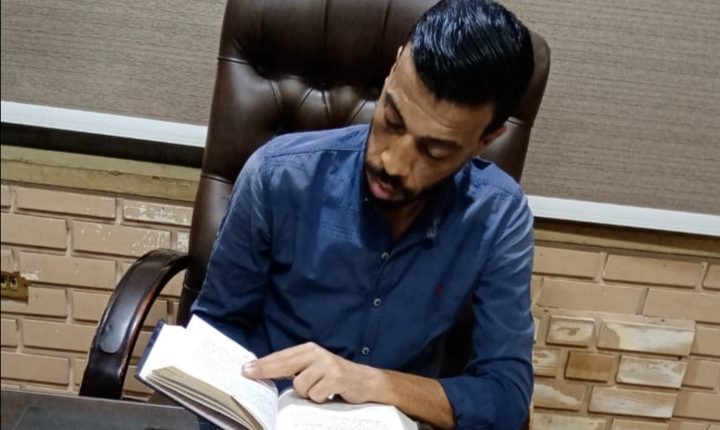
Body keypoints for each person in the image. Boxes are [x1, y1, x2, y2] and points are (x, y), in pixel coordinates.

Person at [192, 0, 537, 428]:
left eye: (434, 150)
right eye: (392, 119)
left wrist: (373, 383)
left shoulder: (498, 215)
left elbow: (506, 396)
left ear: (487, 139)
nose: (393, 163)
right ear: (393, 69)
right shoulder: (278, 174)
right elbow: (217, 326)